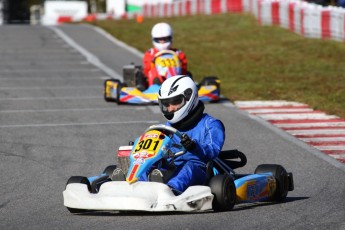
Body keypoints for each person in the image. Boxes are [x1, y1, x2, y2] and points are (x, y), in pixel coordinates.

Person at [150, 75, 225, 194]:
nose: (170, 109)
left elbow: (213, 151)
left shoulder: (211, 124)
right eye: (166, 104)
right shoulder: (165, 128)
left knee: (188, 167)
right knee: (149, 165)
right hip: (170, 167)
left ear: (189, 98)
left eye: (175, 102)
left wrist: (194, 146)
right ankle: (135, 185)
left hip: (200, 170)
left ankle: (169, 191)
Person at [141, 22, 188, 87]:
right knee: (153, 72)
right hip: (154, 85)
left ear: (170, 38)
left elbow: (184, 71)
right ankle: (157, 86)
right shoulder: (149, 54)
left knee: (187, 75)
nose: (162, 42)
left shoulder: (179, 54)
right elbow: (147, 72)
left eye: (165, 39)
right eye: (159, 40)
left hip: (178, 83)